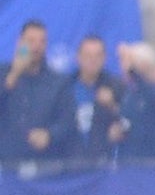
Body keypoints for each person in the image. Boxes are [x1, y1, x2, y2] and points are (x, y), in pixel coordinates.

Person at [1, 18, 74, 162]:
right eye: (31, 41)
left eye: (42, 41)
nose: (36, 46)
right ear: (19, 43)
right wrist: (14, 75)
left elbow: (68, 121)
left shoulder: (58, 82)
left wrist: (50, 135)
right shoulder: (3, 74)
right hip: (6, 165)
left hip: (43, 165)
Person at [112, 42, 155, 160]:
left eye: (127, 62)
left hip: (154, 163)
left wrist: (132, 71)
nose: (122, 67)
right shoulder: (130, 95)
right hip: (129, 164)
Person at [70, 34, 123, 159]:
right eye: (88, 56)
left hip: (104, 162)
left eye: (98, 56)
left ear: (104, 58)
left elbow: (129, 119)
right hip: (70, 162)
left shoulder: (117, 87)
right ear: (78, 57)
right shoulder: (65, 87)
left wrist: (112, 105)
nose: (93, 60)